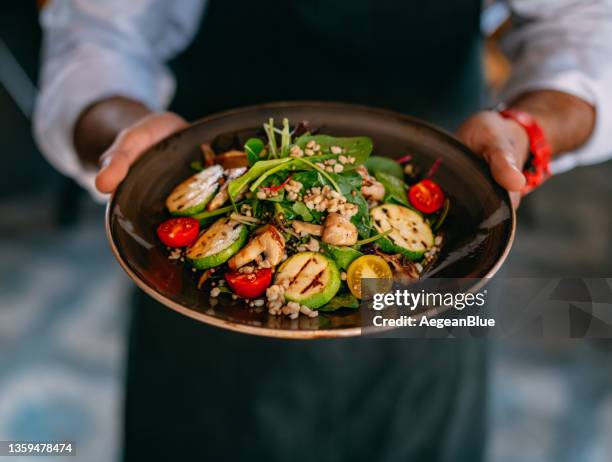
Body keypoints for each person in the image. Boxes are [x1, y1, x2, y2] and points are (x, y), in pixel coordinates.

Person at [34, 1, 612, 460]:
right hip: (210, 245)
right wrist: (131, 139)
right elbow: (96, 39)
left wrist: (526, 133)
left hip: (441, 234)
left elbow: (587, 32)